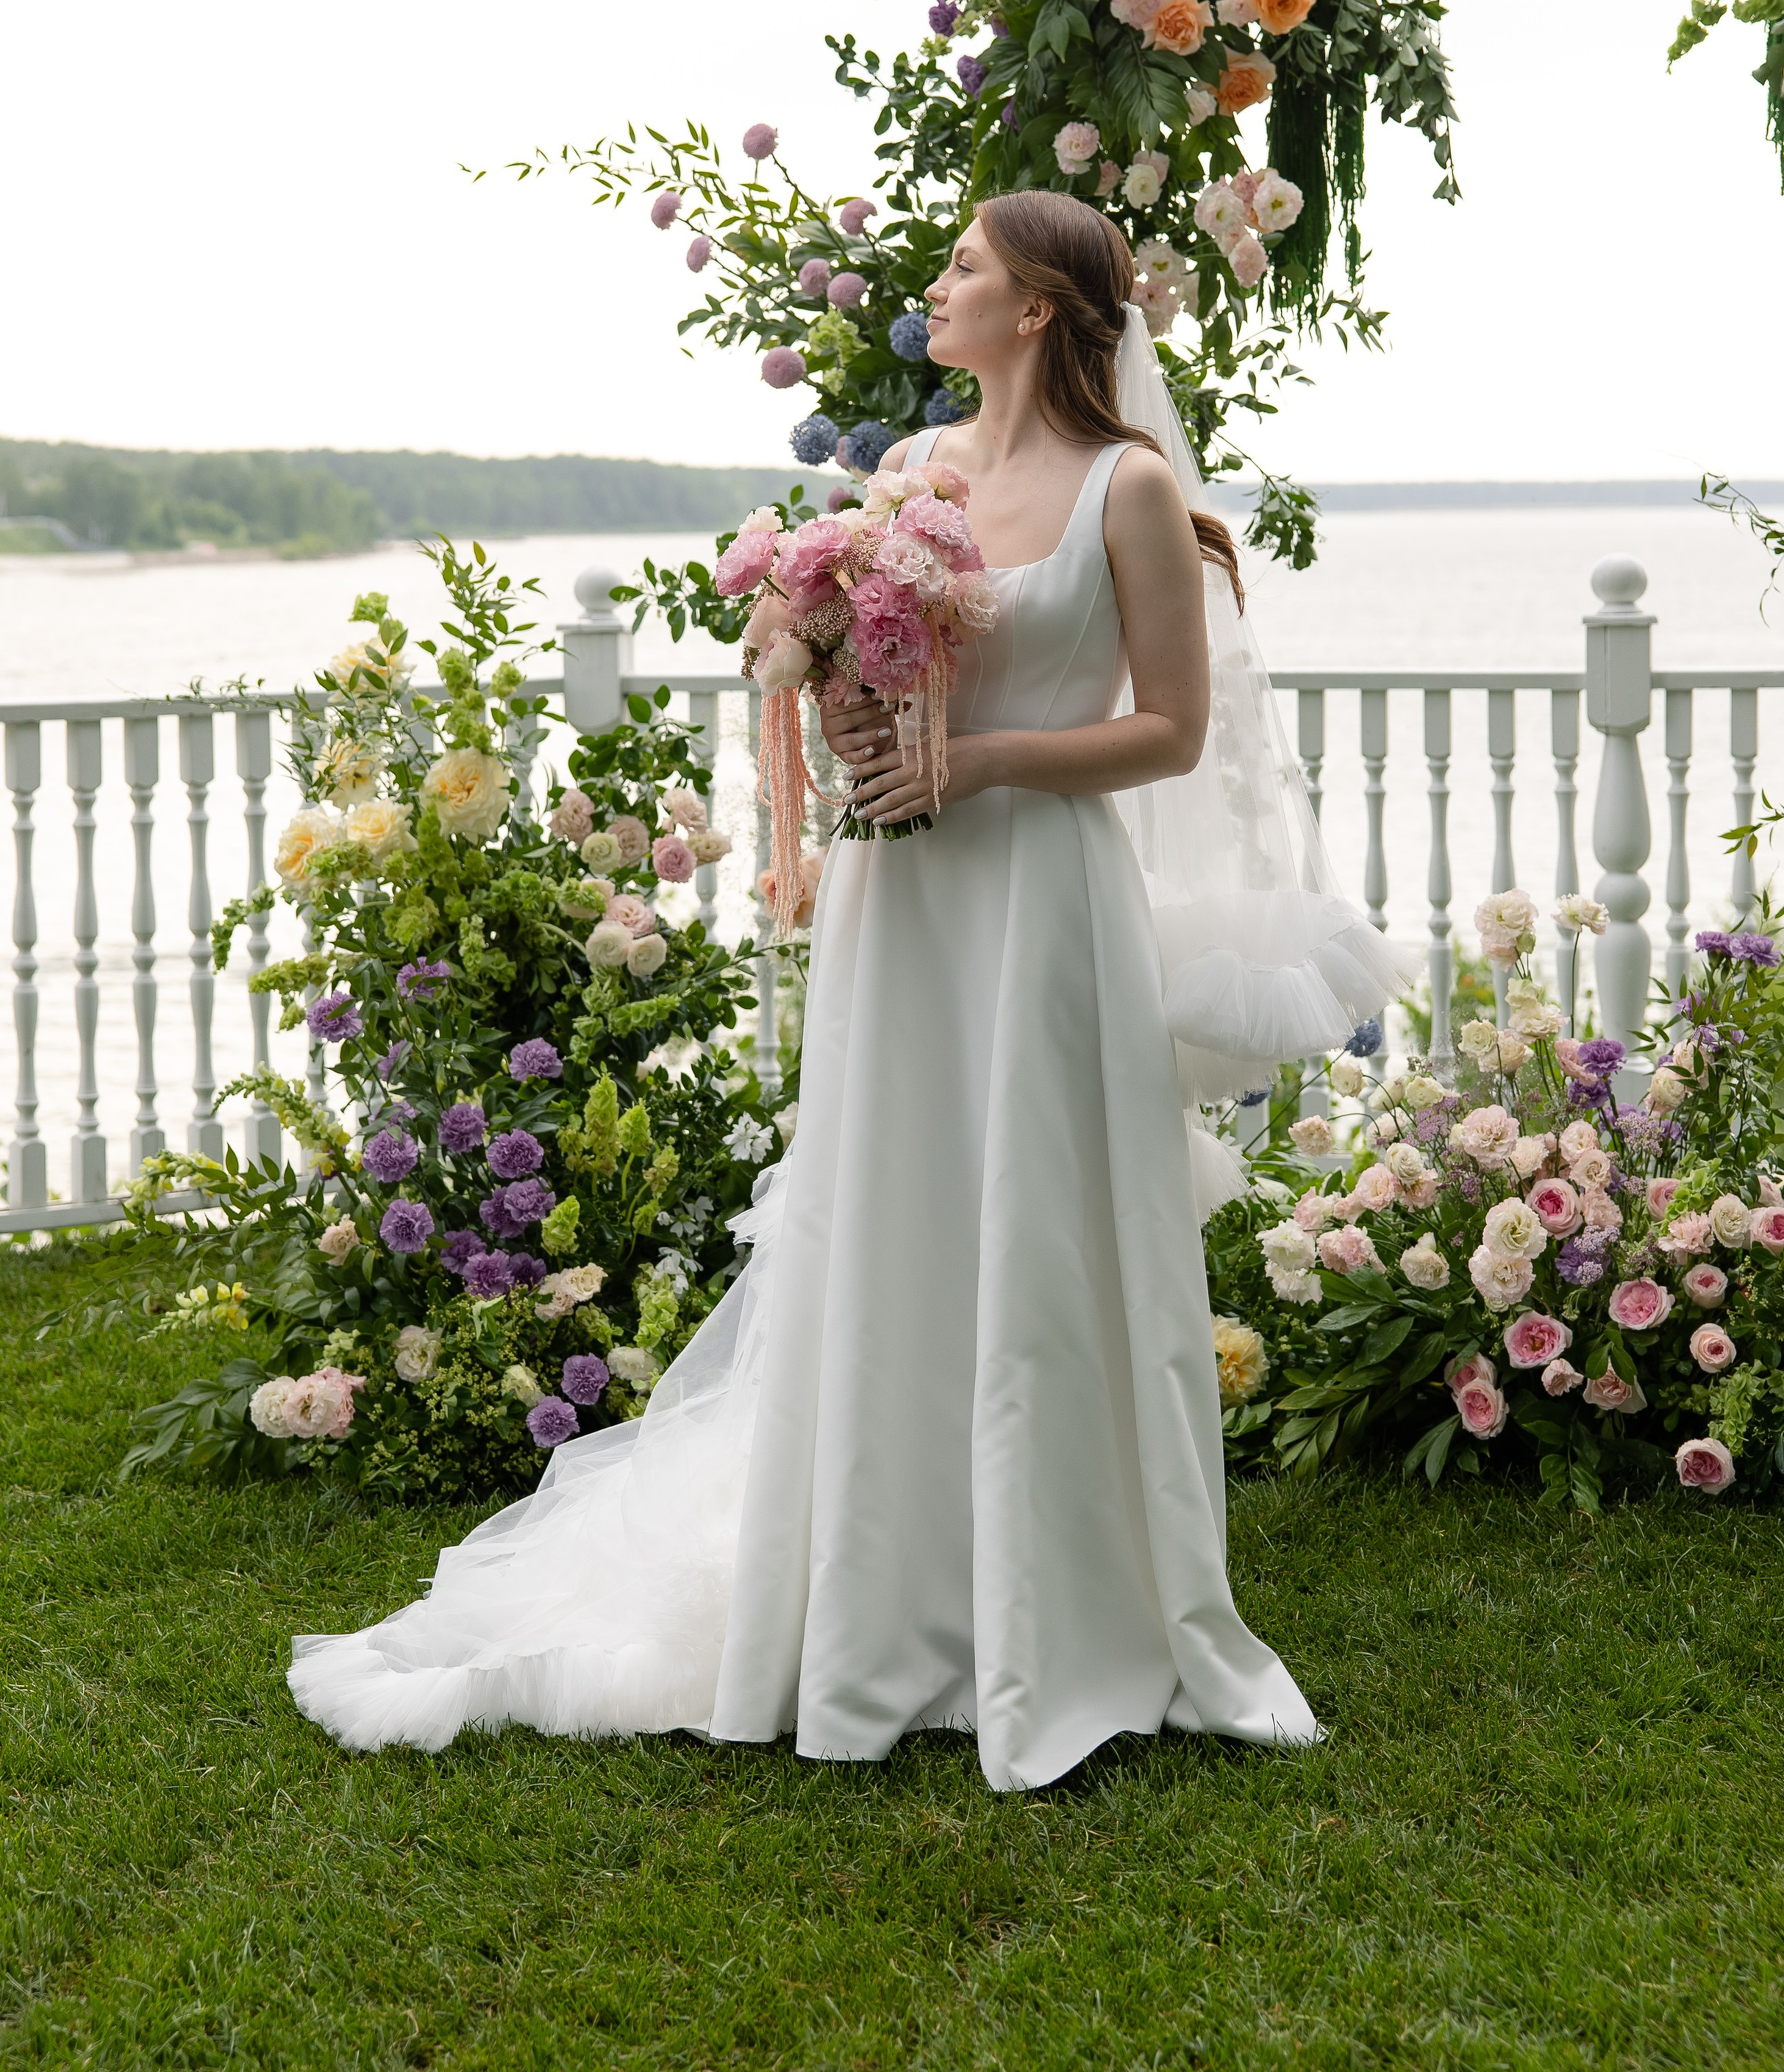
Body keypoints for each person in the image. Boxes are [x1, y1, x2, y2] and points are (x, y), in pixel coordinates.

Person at [288, 191, 1399, 1786]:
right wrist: (838, 709)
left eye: (963, 270)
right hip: (904, 893)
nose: (934, 288)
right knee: (888, 1208)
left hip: (1039, 897)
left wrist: (985, 757)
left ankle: (1060, 1594)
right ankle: (876, 1587)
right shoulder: (908, 476)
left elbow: (1163, 727)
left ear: (1036, 309)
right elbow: (849, 660)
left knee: (1036, 1220)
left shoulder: (1129, 489)